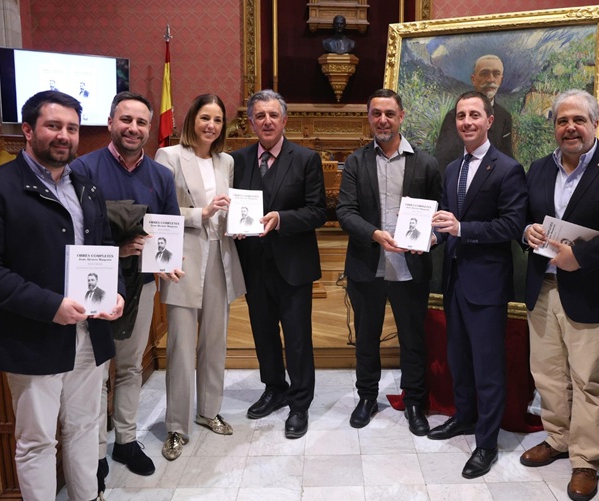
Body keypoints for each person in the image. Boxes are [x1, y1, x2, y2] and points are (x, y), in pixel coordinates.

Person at [0, 90, 124, 501]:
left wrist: (115, 292)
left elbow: (103, 248)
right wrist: (50, 306)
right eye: (53, 126)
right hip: (31, 334)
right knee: (37, 440)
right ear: (28, 130)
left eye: (72, 128)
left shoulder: (87, 188)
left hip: (89, 332)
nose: (64, 135)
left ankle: (89, 496)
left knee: (86, 428)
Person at [521, 90, 599, 501]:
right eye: (562, 121)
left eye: (578, 120)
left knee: (589, 381)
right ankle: (557, 439)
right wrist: (527, 231)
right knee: (548, 374)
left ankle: (585, 460)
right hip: (544, 287)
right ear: (554, 127)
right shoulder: (540, 168)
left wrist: (581, 257)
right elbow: (526, 217)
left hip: (593, 291)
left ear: (595, 123)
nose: (570, 128)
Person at [70, 91, 180, 486]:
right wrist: (118, 248)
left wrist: (167, 259)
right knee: (97, 369)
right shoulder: (82, 169)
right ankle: (96, 450)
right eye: (126, 120)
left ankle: (126, 441)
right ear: (111, 122)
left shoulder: (161, 176)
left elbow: (168, 230)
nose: (134, 128)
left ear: (150, 128)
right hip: (94, 284)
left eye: (141, 122)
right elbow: (73, 233)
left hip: (142, 284)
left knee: (131, 366)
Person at [428, 90, 527, 479]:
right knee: (459, 359)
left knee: (487, 367)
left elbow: (512, 225)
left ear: (489, 120)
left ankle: (486, 443)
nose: (466, 122)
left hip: (486, 285)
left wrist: (462, 229)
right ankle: (464, 417)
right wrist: (430, 237)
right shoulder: (453, 168)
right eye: (461, 116)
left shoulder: (507, 169)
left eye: (474, 115)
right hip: (454, 281)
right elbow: (445, 221)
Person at [336, 88, 442, 434]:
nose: (383, 120)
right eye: (376, 114)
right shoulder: (356, 162)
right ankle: (367, 397)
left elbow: (439, 215)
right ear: (369, 118)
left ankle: (414, 401)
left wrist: (433, 238)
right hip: (367, 266)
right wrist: (375, 234)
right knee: (366, 338)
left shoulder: (425, 163)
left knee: (412, 339)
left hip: (411, 269)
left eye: (389, 114)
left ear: (401, 117)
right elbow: (345, 212)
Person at [154, 94, 247, 461]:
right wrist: (200, 214)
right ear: (192, 119)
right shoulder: (169, 156)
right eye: (205, 117)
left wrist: (238, 223)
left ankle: (209, 411)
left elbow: (227, 210)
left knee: (215, 341)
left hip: (220, 257)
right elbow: (159, 211)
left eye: (218, 120)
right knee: (180, 346)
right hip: (184, 259)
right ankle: (176, 427)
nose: (211, 125)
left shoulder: (227, 161)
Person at [232, 89, 326, 439]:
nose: (267, 121)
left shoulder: (305, 158)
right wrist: (232, 225)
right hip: (253, 264)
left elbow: (318, 211)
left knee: (297, 337)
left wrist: (282, 219)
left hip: (293, 266)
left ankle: (300, 403)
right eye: (260, 116)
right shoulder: (237, 160)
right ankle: (274, 388)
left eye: (273, 115)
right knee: (263, 333)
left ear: (285, 120)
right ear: (251, 123)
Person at [434, 55, 514, 168]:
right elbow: (443, 161)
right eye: (484, 73)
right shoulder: (453, 117)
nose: (491, 79)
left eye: (496, 74)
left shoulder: (504, 117)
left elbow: (507, 157)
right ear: (473, 79)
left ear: (501, 79)